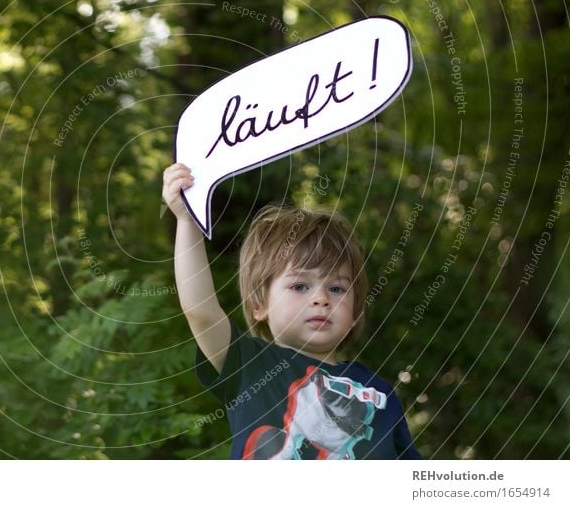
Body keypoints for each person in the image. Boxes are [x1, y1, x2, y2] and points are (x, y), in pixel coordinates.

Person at [162, 162, 421, 459]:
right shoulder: (249, 365)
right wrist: (187, 221)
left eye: (336, 289)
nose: (321, 299)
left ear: (354, 312)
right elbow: (199, 310)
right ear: (260, 305)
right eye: (300, 286)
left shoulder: (380, 392)